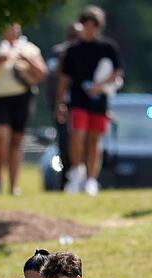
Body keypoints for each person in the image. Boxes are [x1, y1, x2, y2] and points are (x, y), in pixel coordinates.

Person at [56, 7, 124, 196]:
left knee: (95, 140)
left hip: (99, 101)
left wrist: (99, 85)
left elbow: (117, 72)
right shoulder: (73, 50)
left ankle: (91, 180)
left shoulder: (107, 48)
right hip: (77, 100)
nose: (89, 29)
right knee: (78, 135)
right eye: (86, 25)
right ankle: (77, 171)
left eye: (93, 26)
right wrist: (60, 103)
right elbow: (64, 78)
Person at [0, 23, 47, 195]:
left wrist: (26, 59)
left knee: (16, 140)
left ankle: (14, 185)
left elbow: (42, 73)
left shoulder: (29, 48)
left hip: (22, 98)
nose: (13, 30)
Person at [46, 23, 83, 190]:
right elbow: (53, 72)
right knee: (64, 143)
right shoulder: (59, 51)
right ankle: (65, 180)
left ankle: (82, 179)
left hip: (82, 103)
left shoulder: (88, 52)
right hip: (63, 104)